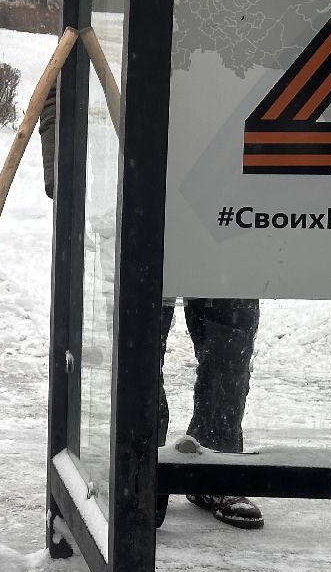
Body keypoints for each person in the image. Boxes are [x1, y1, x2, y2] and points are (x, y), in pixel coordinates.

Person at [37, 83, 263, 529]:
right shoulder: (140, 16)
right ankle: (143, 470)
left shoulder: (236, 22)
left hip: (223, 196)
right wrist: (61, 169)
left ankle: (215, 464)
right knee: (138, 341)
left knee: (228, 339)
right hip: (138, 191)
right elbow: (64, 84)